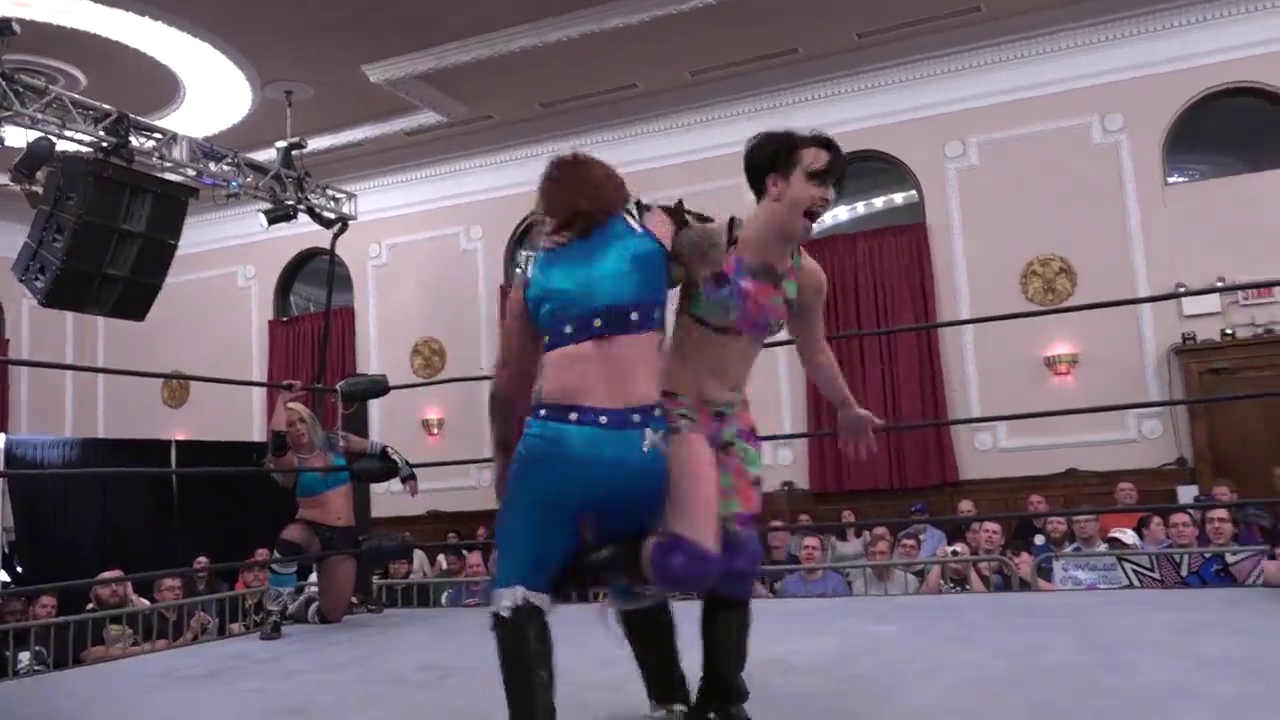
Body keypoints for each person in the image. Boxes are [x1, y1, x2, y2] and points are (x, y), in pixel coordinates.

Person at [603, 130, 883, 719]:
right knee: (661, 557)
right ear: (775, 184)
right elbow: (632, 280)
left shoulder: (807, 277)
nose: (827, 194)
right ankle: (666, 692)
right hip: (667, 413)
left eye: (833, 184)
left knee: (737, 559)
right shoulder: (707, 241)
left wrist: (846, 406)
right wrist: (651, 232)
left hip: (731, 422)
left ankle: (722, 696)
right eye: (816, 178)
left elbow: (815, 349)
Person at [487, 152, 675, 718]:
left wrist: (504, 462)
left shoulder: (533, 278)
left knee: (516, 585)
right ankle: (671, 701)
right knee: (632, 569)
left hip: (561, 445)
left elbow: (509, 386)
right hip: (644, 448)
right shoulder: (652, 245)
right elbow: (674, 223)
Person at [262, 382, 419, 639]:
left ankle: (299, 606)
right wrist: (281, 400)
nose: (297, 428)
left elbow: (379, 448)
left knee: (331, 615)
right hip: (311, 529)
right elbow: (277, 443)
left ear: (310, 422)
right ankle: (273, 615)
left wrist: (405, 469)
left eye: (301, 421)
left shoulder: (334, 442)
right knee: (290, 539)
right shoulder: (290, 462)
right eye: (290, 425)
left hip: (343, 535)